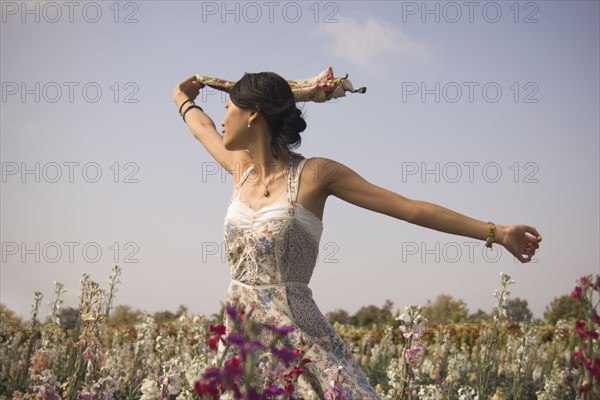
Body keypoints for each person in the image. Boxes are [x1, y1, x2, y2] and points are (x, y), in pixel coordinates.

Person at [172, 71, 542, 399]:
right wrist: (182, 98)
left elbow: (408, 207)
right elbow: (200, 127)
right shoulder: (241, 170)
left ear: (252, 113)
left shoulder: (317, 174)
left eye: (228, 108)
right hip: (243, 338)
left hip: (299, 336)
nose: (221, 119)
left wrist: (497, 232)